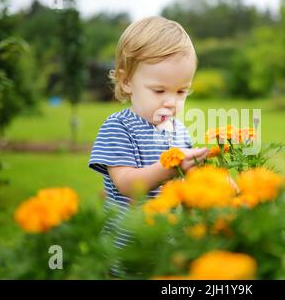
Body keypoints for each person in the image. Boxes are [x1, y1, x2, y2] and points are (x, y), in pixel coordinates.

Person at [88, 16, 209, 277]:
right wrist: (169, 168)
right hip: (128, 253)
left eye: (181, 92)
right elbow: (128, 185)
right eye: (159, 91)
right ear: (126, 81)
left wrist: (211, 185)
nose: (171, 102)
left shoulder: (180, 131)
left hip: (168, 252)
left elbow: (187, 185)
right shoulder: (118, 127)